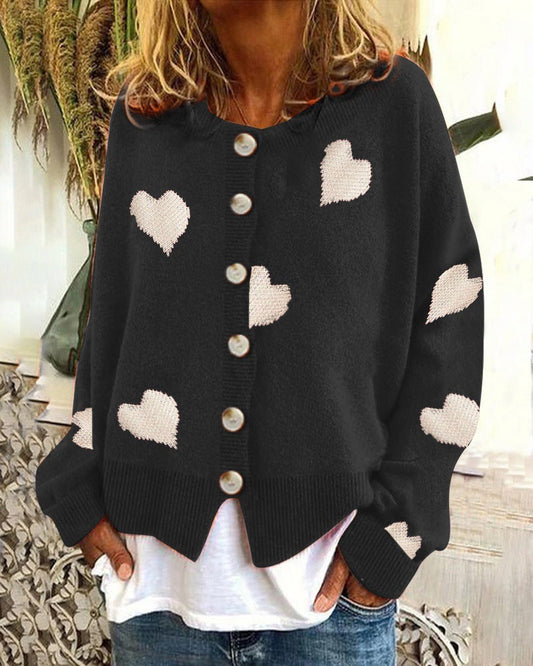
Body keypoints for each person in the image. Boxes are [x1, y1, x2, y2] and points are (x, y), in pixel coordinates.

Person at [34, 1, 485, 664]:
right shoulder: (147, 113)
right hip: (157, 604)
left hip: (329, 615)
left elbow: (450, 318)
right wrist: (77, 483)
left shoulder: (393, 107)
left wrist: (396, 530)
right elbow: (114, 316)